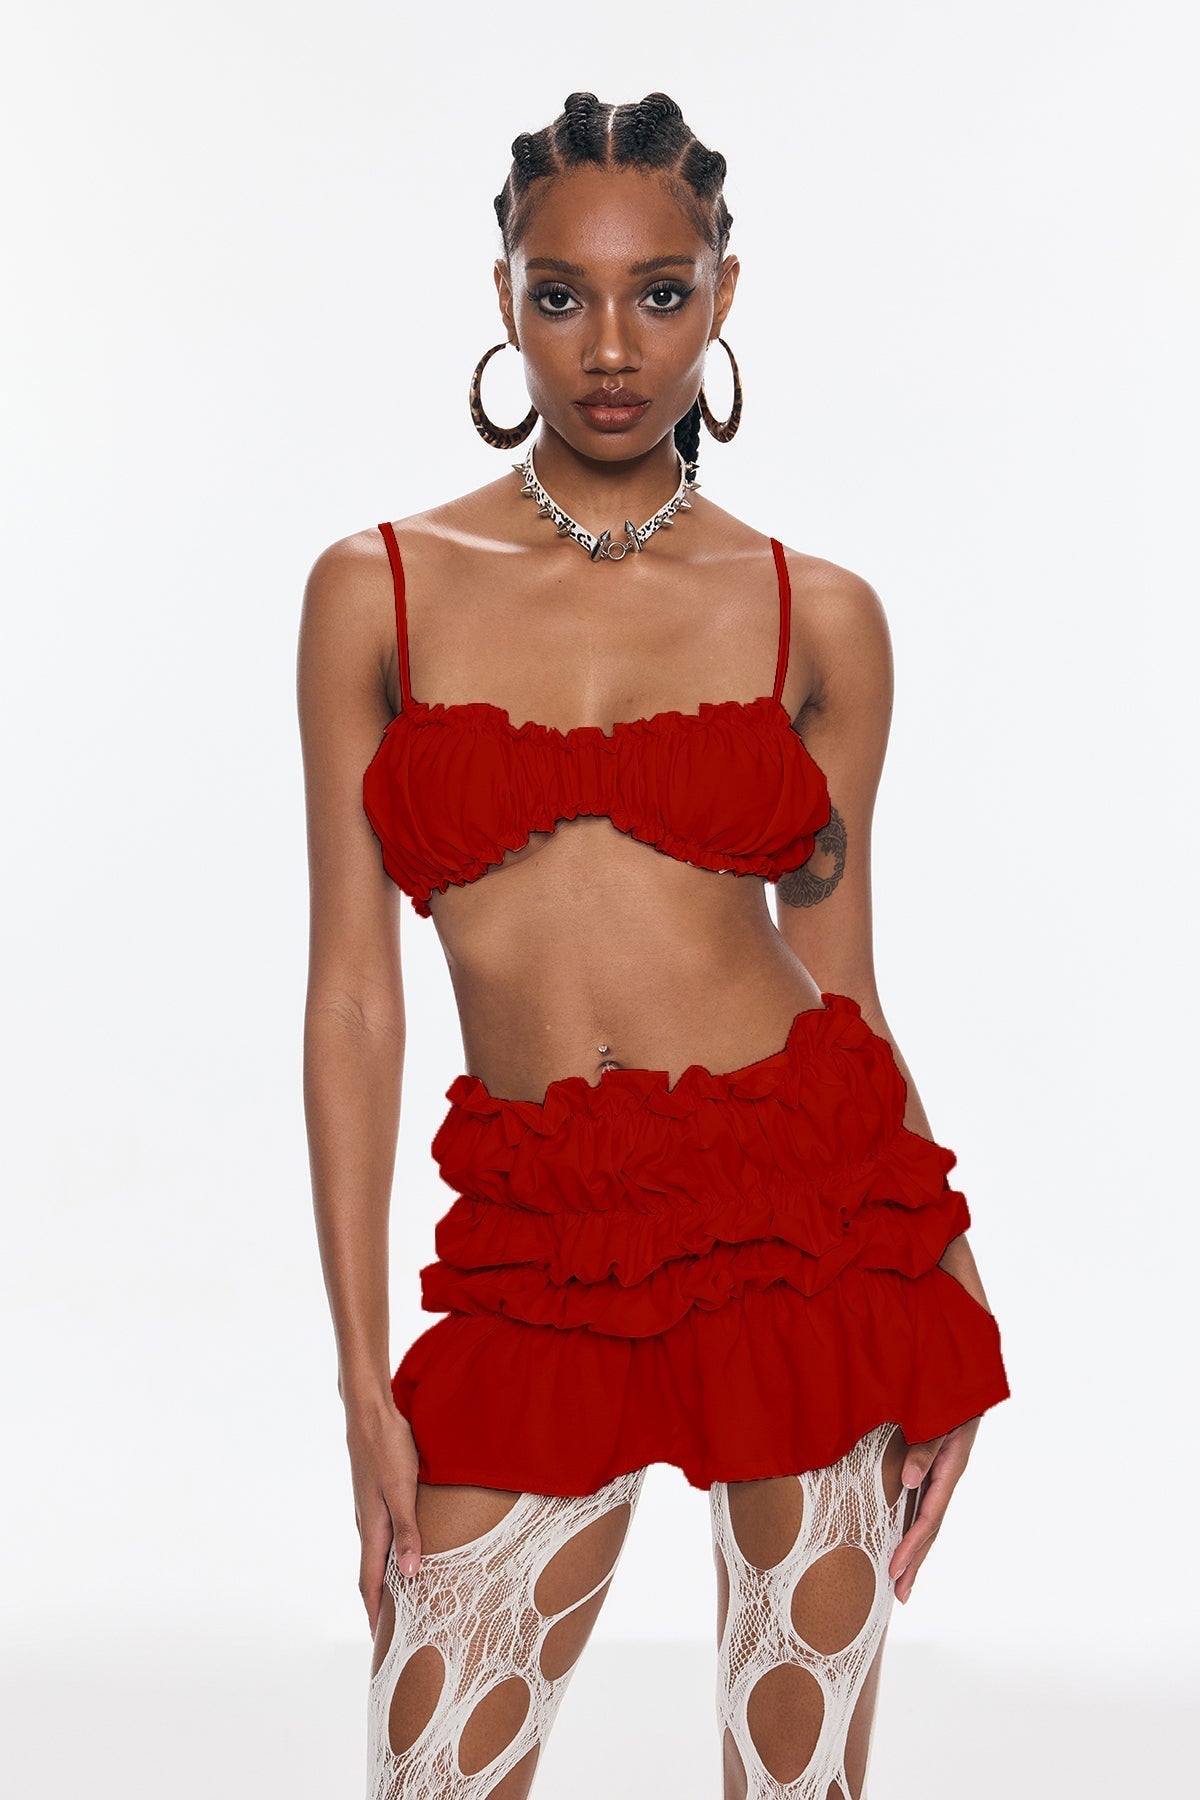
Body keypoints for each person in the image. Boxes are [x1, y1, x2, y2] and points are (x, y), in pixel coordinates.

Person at [297, 89, 1011, 1800]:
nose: (612, 348)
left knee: (797, 1782)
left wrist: (952, 1295)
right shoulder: (376, 589)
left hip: (806, 1229)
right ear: (503, 296)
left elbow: (843, 990)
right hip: (543, 1247)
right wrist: (361, 1381)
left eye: (662, 293)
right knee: (431, 1774)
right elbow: (353, 1001)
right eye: (562, 295)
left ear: (724, 296)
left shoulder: (814, 612)